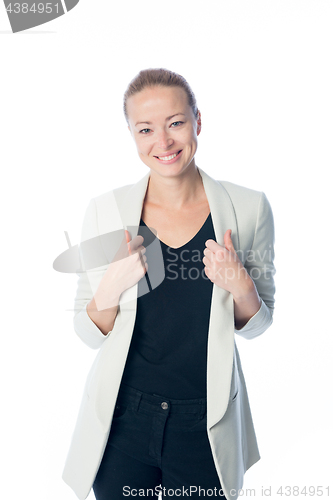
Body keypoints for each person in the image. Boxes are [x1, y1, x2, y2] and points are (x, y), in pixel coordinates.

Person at [62, 68, 276, 500]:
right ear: (132, 135)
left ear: (198, 122)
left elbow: (257, 324)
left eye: (176, 123)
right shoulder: (105, 211)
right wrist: (111, 285)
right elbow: (87, 333)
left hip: (205, 423)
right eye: (146, 129)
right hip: (123, 421)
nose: (163, 142)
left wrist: (240, 285)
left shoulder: (248, 208)